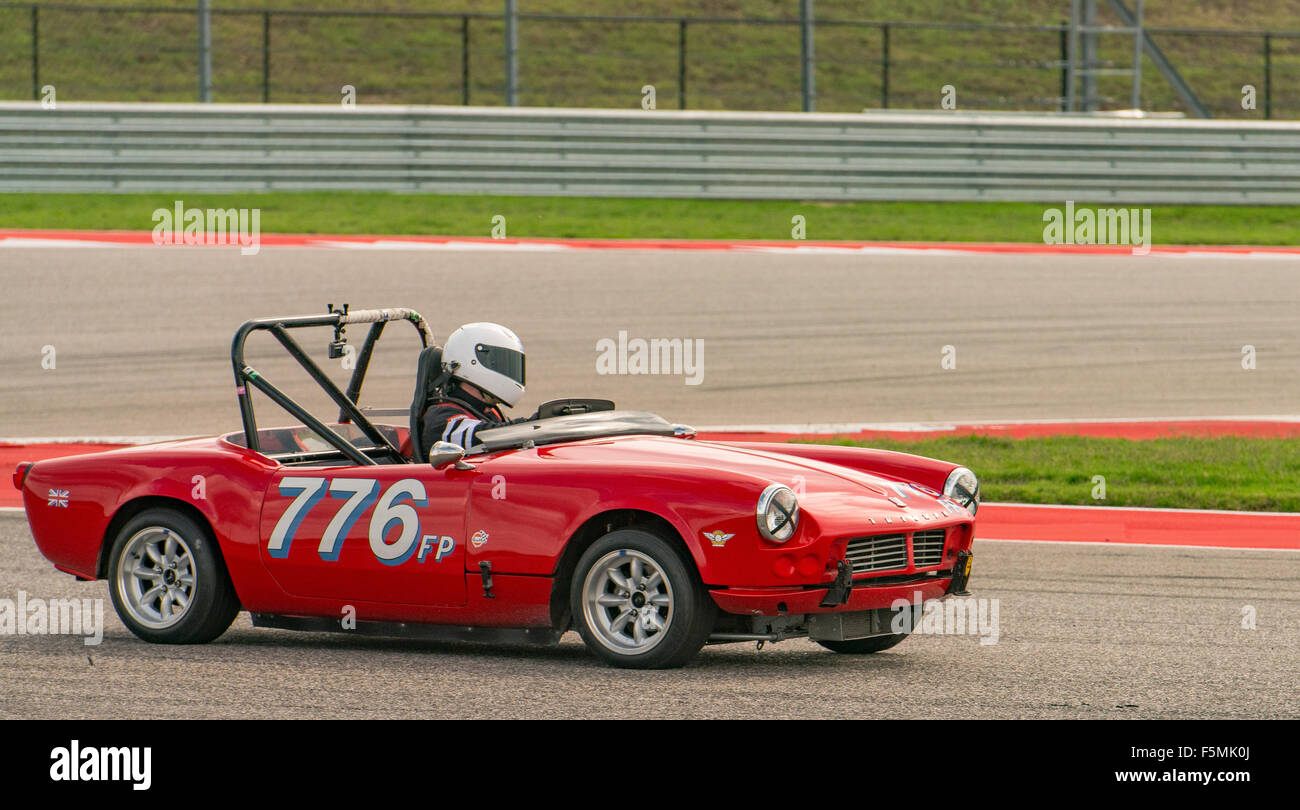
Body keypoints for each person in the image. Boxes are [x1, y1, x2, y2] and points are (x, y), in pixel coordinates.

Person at [421, 322, 526, 455]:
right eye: (500, 363)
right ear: (471, 361)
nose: (510, 370)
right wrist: (534, 425)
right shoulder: (441, 419)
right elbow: (487, 436)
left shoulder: (488, 411)